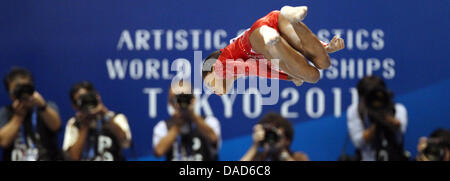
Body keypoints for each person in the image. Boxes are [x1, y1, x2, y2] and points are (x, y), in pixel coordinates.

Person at [202, 6, 345, 95]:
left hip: (258, 36)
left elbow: (255, 68)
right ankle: (290, 15)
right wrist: (326, 47)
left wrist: (287, 77)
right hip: (276, 20)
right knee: (319, 68)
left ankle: (270, 34)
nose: (213, 91)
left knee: (305, 73)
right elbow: (301, 45)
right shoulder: (234, 69)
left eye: (210, 84)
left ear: (214, 67)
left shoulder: (222, 65)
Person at [0, 67, 62, 161]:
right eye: (18, 89)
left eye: (26, 87)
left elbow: (56, 126)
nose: (23, 92)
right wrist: (18, 117)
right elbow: (4, 142)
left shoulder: (46, 107)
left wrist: (42, 106)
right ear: (10, 93)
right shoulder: (5, 112)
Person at [63, 81, 132, 161]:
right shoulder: (74, 123)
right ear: (74, 106)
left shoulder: (116, 118)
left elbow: (125, 143)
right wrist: (85, 126)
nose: (85, 103)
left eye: (88, 98)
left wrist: (104, 115)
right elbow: (73, 157)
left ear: (97, 96)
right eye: (80, 101)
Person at [153, 81, 221, 161]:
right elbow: (158, 152)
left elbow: (214, 139)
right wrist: (177, 125)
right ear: (170, 102)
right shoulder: (163, 126)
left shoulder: (209, 121)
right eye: (177, 98)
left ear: (193, 99)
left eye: (185, 97)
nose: (182, 101)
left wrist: (193, 116)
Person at [347, 76, 408, 161]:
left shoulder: (398, 109)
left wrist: (383, 116)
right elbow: (358, 142)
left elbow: (399, 132)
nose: (374, 101)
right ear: (361, 97)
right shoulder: (355, 110)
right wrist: (375, 122)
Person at [241, 112, 309, 161]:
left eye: (275, 135)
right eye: (268, 134)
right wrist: (255, 146)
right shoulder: (258, 158)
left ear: (287, 140)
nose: (271, 138)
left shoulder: (298, 157)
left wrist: (281, 153)